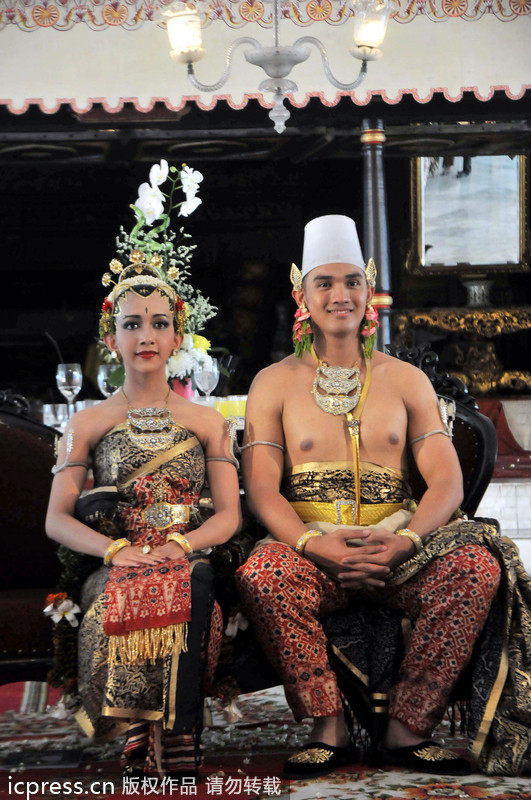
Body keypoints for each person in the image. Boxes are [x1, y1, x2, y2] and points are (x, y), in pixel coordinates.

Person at [236, 215, 530, 779]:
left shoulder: (404, 379)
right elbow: (262, 487)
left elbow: (446, 480)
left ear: (369, 291)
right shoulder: (272, 382)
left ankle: (408, 729)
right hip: (310, 550)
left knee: (473, 566)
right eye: (324, 283)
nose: (339, 295)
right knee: (260, 575)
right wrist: (311, 543)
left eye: (352, 282)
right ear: (301, 293)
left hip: (398, 545)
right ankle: (329, 728)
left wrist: (406, 540)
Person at [46, 252, 241, 780]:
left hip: (192, 554)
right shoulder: (89, 421)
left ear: (179, 337)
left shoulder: (207, 421)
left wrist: (182, 546)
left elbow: (229, 516)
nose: (146, 335)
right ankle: (142, 732)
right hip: (119, 562)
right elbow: (57, 520)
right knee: (130, 589)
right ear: (111, 341)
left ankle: (176, 733)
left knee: (192, 584)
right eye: (132, 324)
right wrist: (115, 551)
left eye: (160, 323)